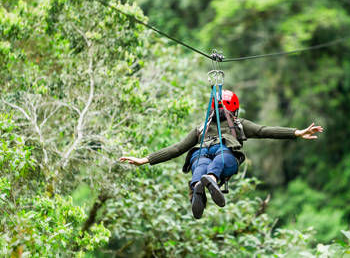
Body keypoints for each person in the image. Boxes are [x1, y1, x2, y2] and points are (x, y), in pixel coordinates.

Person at [120, 90, 323, 219]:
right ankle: (212, 179)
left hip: (198, 153)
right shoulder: (238, 124)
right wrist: (296, 132)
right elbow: (264, 131)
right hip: (224, 151)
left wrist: (145, 159)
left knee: (199, 166)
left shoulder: (201, 127)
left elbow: (176, 149)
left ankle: (197, 188)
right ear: (234, 108)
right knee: (224, 159)